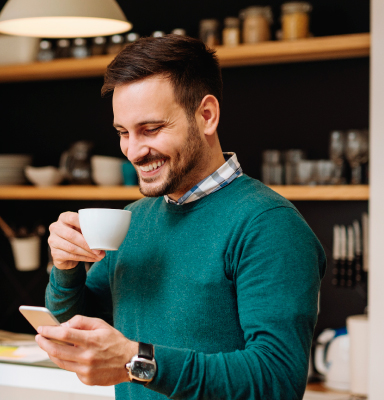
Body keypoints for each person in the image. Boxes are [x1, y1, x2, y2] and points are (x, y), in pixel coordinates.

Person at [38, 35, 325, 399]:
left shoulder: (269, 225)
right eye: (123, 133)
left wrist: (136, 360)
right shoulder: (135, 219)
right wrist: (65, 267)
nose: (134, 151)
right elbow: (75, 331)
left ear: (206, 116)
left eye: (151, 129)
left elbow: (277, 381)